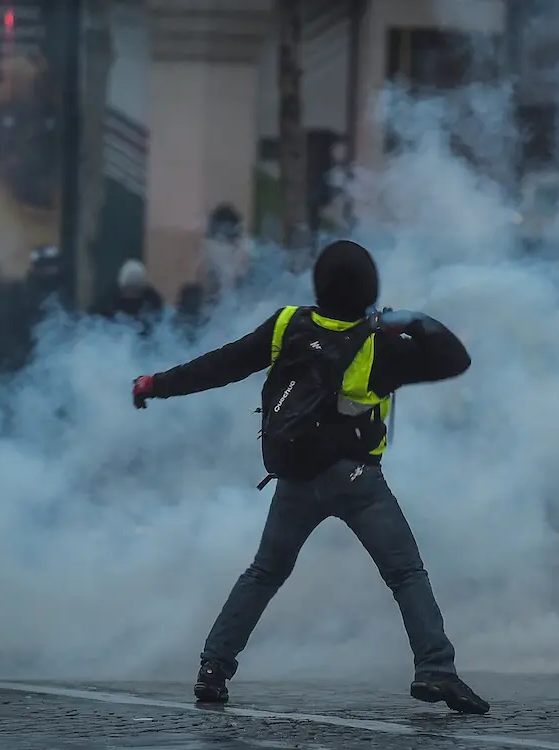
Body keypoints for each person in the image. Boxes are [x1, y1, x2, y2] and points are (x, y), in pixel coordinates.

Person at [130, 239, 489, 714]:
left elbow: (222, 364)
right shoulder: (381, 341)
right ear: (369, 287)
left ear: (318, 284)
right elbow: (456, 360)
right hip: (358, 479)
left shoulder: (286, 324)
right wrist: (414, 322)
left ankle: (213, 669)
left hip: (296, 476)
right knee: (405, 573)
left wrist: (158, 384)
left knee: (264, 573)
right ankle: (436, 670)